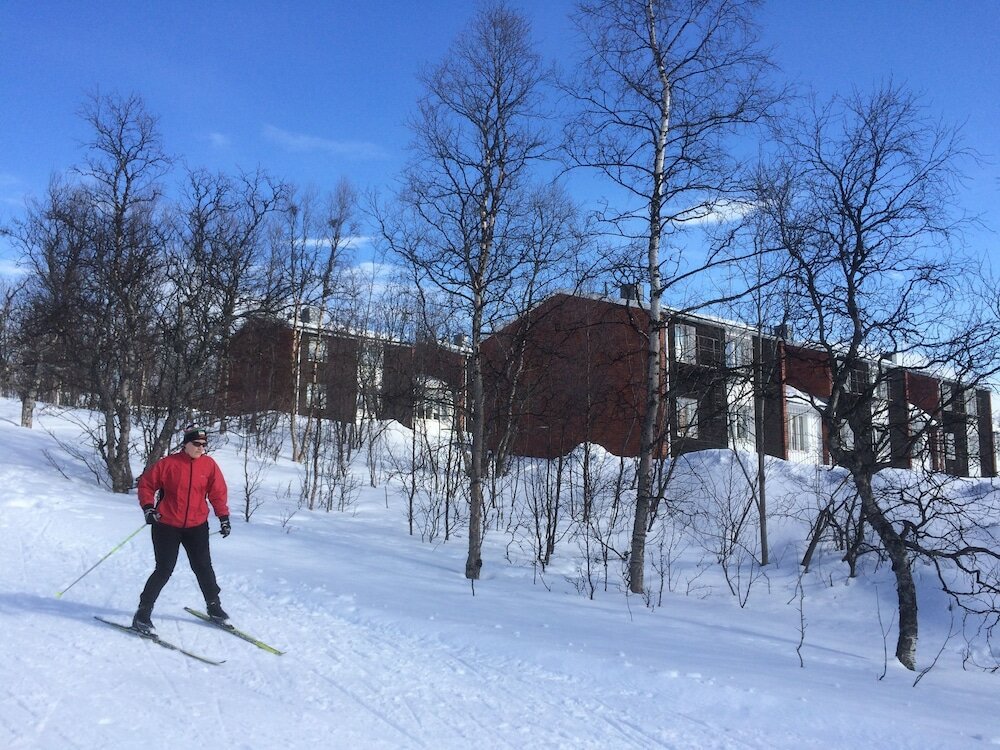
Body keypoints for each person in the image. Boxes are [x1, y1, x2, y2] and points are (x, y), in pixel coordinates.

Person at [132, 424, 232, 634]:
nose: (201, 448)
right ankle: (143, 613)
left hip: (197, 525)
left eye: (204, 445)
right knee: (164, 569)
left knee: (204, 567)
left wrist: (223, 517)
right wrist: (149, 508)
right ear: (185, 444)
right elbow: (146, 485)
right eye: (196, 444)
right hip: (166, 524)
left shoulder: (209, 465)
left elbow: (218, 493)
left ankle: (214, 607)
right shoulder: (168, 464)